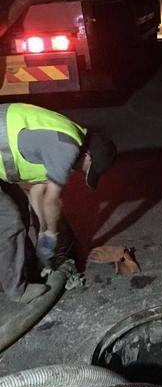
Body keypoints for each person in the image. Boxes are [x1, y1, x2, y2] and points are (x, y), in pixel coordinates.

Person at [0, 102, 116, 303]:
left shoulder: (71, 135)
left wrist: (43, 229)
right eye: (88, 168)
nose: (82, 172)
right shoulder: (66, 148)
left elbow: (37, 191)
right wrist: (50, 237)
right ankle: (16, 290)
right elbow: (52, 201)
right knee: (10, 223)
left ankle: (25, 266)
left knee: (22, 210)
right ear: (87, 155)